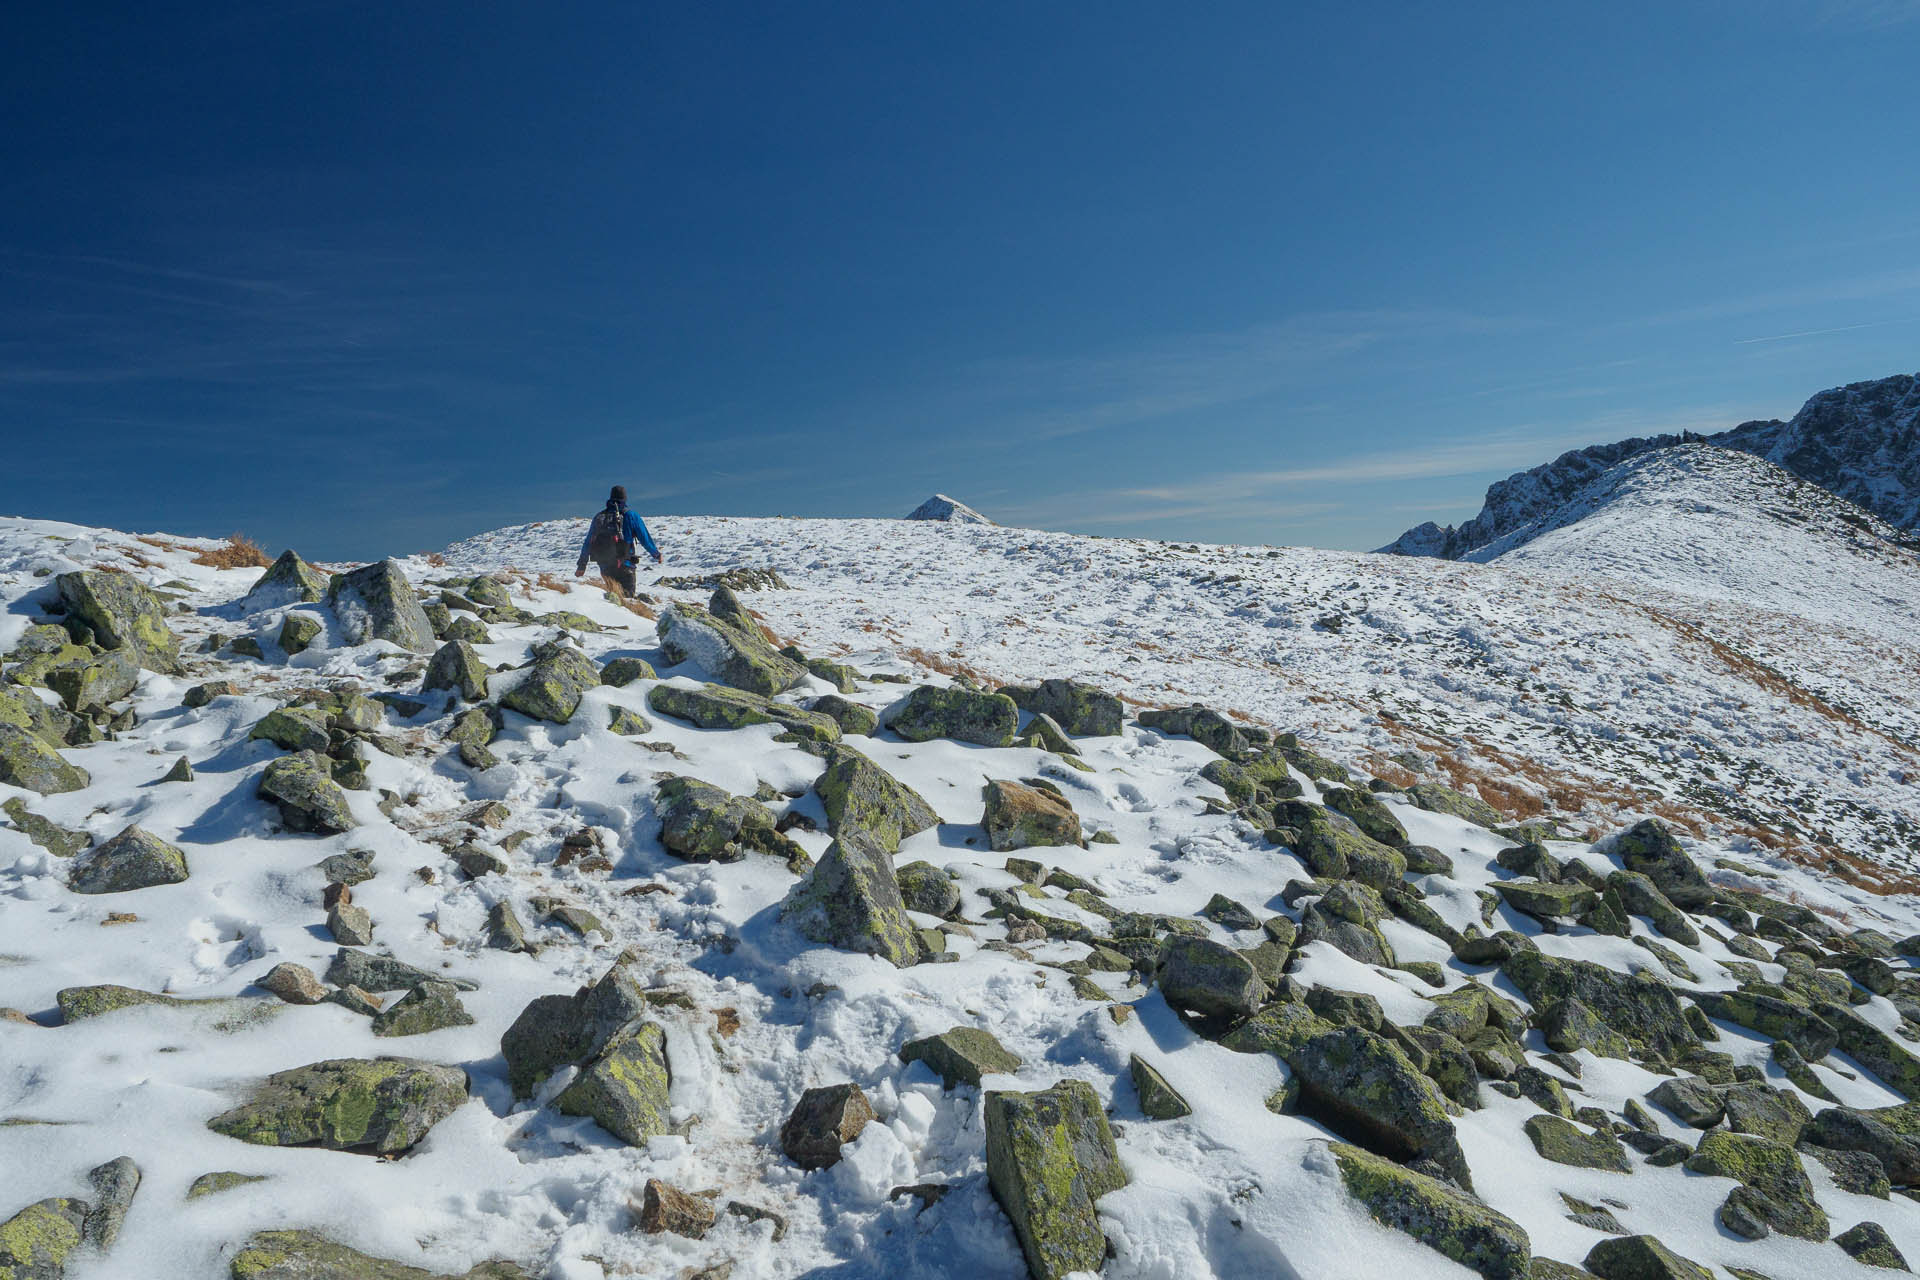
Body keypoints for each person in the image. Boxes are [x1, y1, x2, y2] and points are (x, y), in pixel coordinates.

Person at [575, 485, 661, 595]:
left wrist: (582, 566)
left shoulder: (600, 517)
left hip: (605, 566)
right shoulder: (631, 515)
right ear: (624, 498)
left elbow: (588, 542)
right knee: (627, 600)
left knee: (612, 600)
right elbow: (644, 538)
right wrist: (656, 554)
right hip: (626, 564)